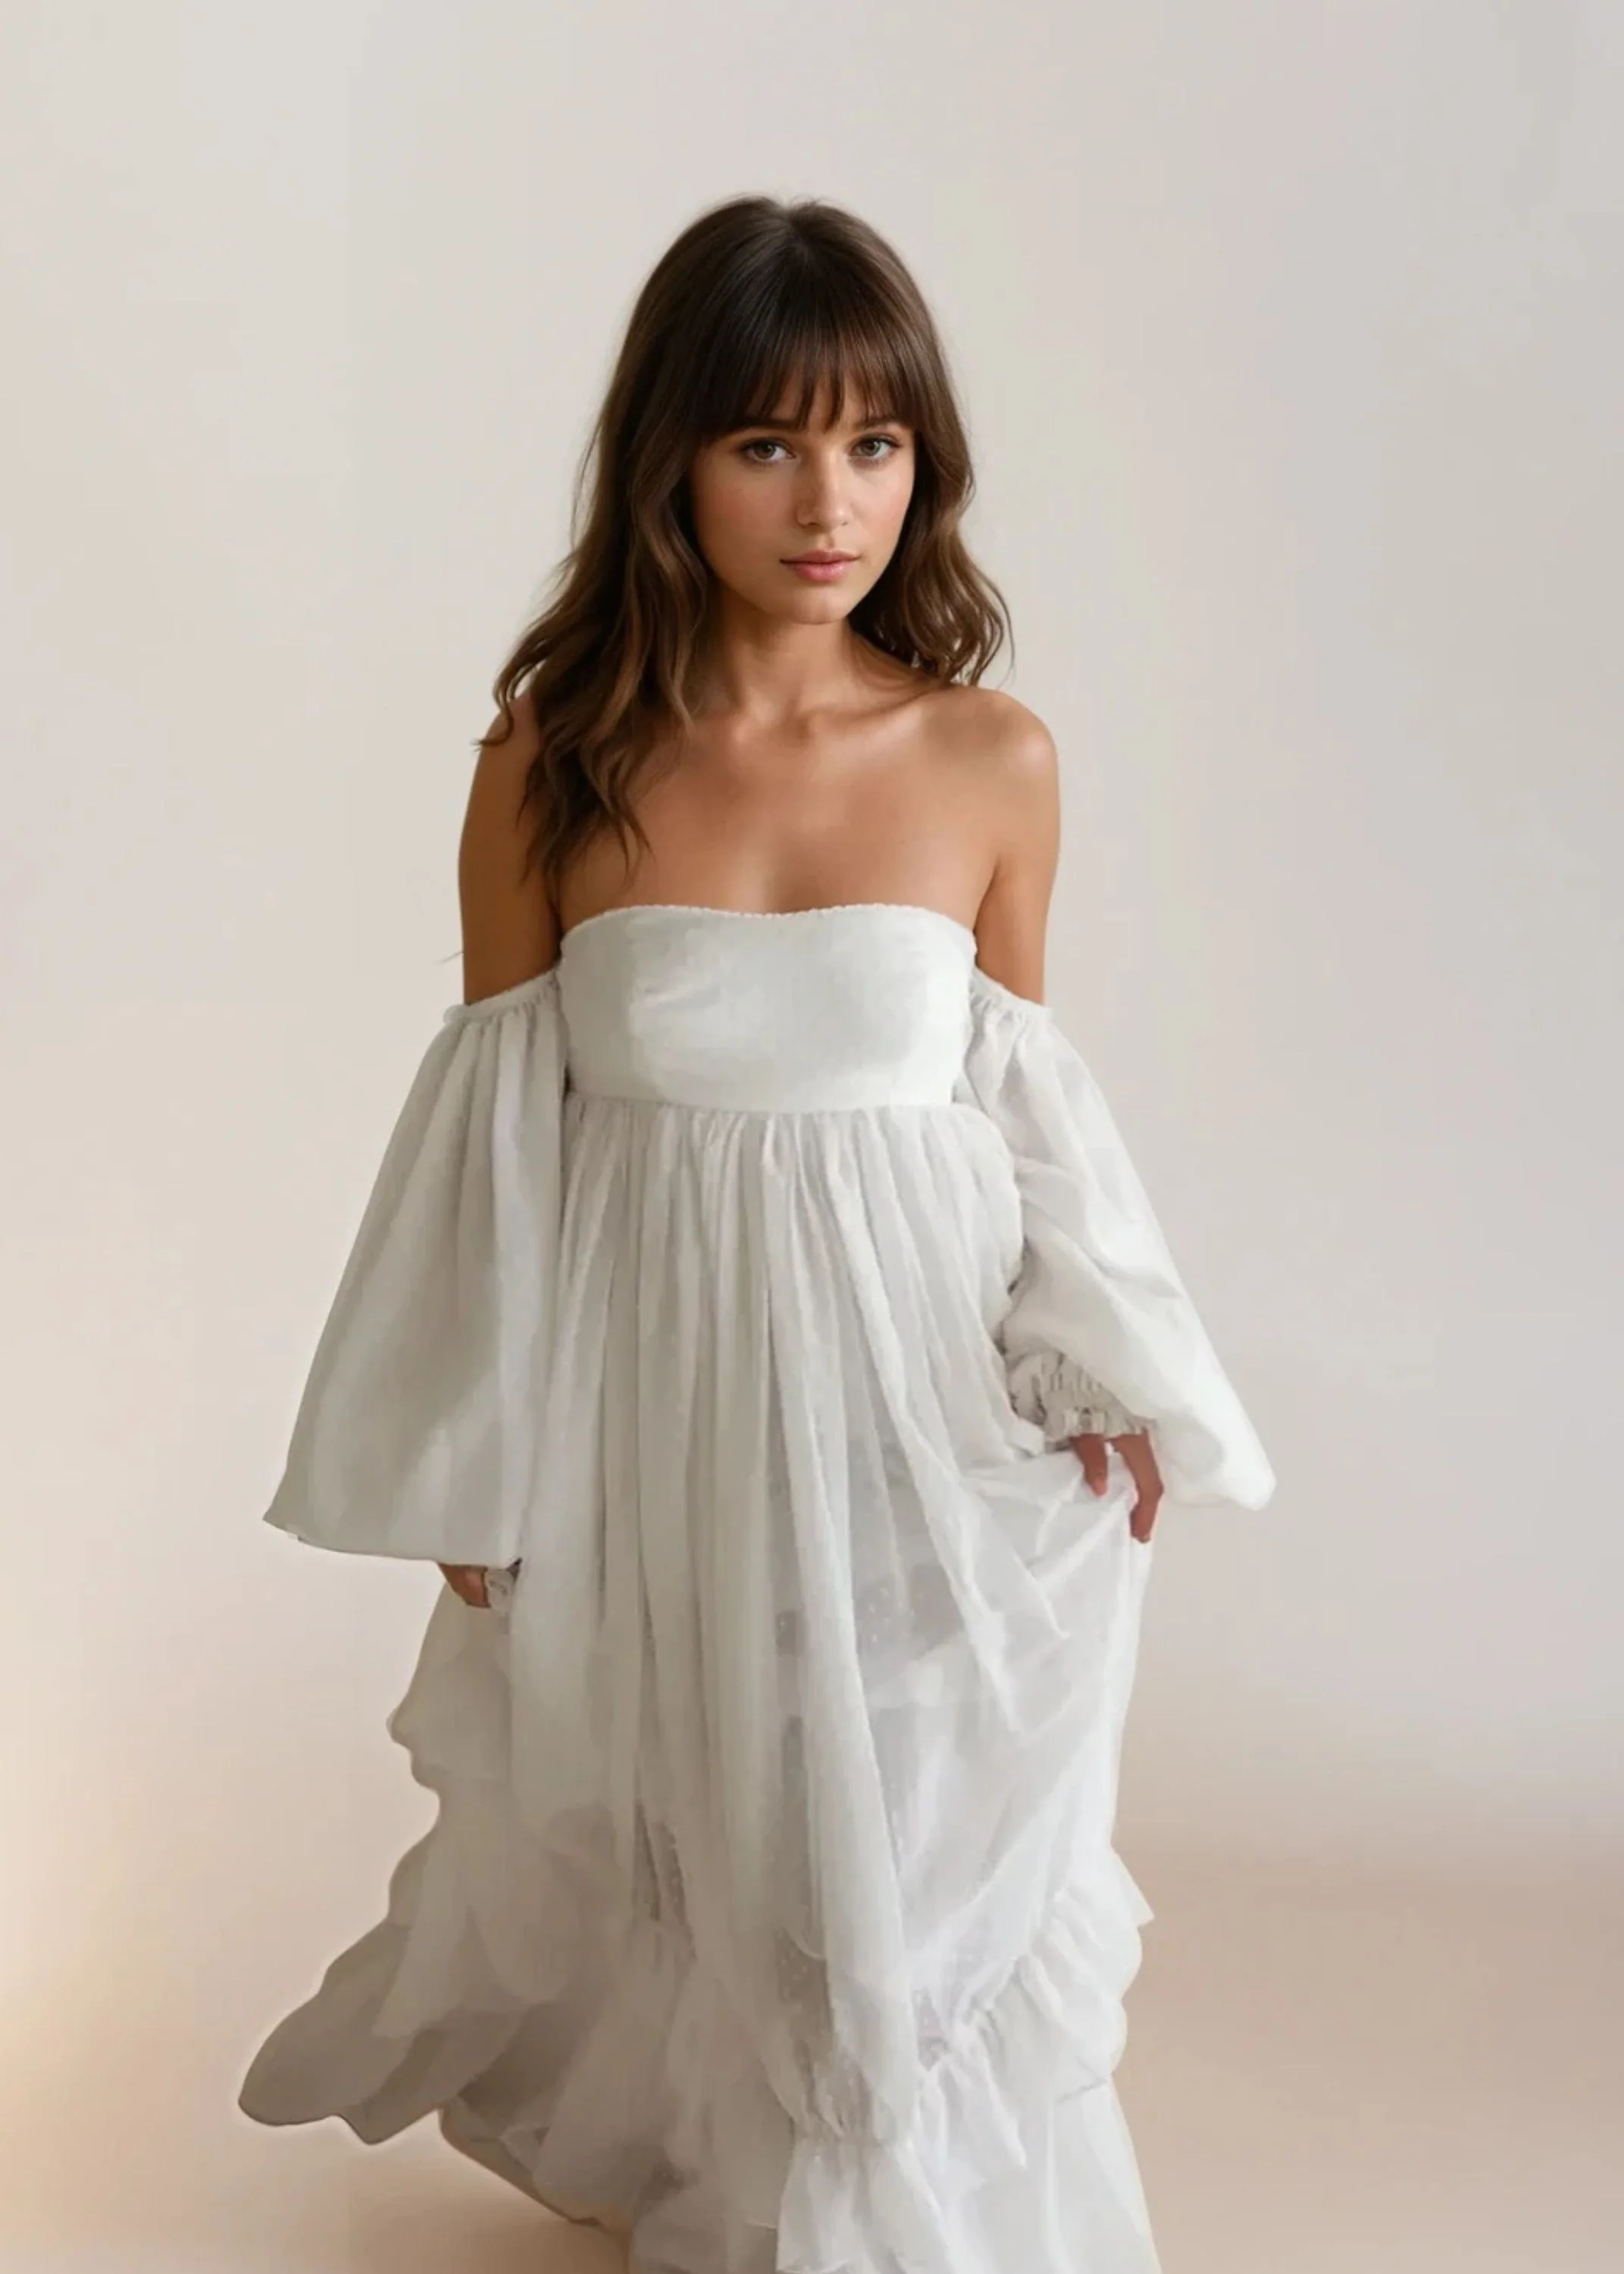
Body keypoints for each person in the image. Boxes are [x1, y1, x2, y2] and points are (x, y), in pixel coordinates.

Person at [236, 193, 1275, 2274]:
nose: (829, 503)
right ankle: (745, 2173)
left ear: (923, 464)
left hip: (919, 1400)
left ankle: (875, 2205)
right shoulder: (553, 764)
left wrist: (1097, 1372)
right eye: (767, 444)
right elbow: (501, 1136)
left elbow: (1019, 1109)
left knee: (893, 1828)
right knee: (709, 1816)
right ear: (670, 463)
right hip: (661, 1405)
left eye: (874, 445)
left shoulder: (991, 758)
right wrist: (475, 1451)